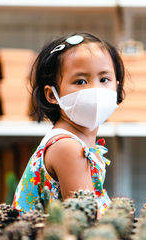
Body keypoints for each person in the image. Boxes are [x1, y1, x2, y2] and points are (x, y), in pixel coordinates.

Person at [12, 32, 125, 215]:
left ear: (117, 86)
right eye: (80, 81)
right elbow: (84, 219)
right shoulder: (68, 148)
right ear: (52, 95)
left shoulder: (77, 143)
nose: (95, 90)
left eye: (104, 79)